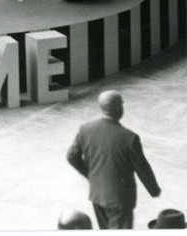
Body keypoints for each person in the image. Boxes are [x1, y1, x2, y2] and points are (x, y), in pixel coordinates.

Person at [66, 90, 161, 229]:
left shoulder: (85, 129)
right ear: (118, 108)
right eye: (121, 104)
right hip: (120, 200)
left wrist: (90, 174)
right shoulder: (130, 138)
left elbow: (72, 156)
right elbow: (142, 168)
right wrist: (154, 190)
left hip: (97, 195)